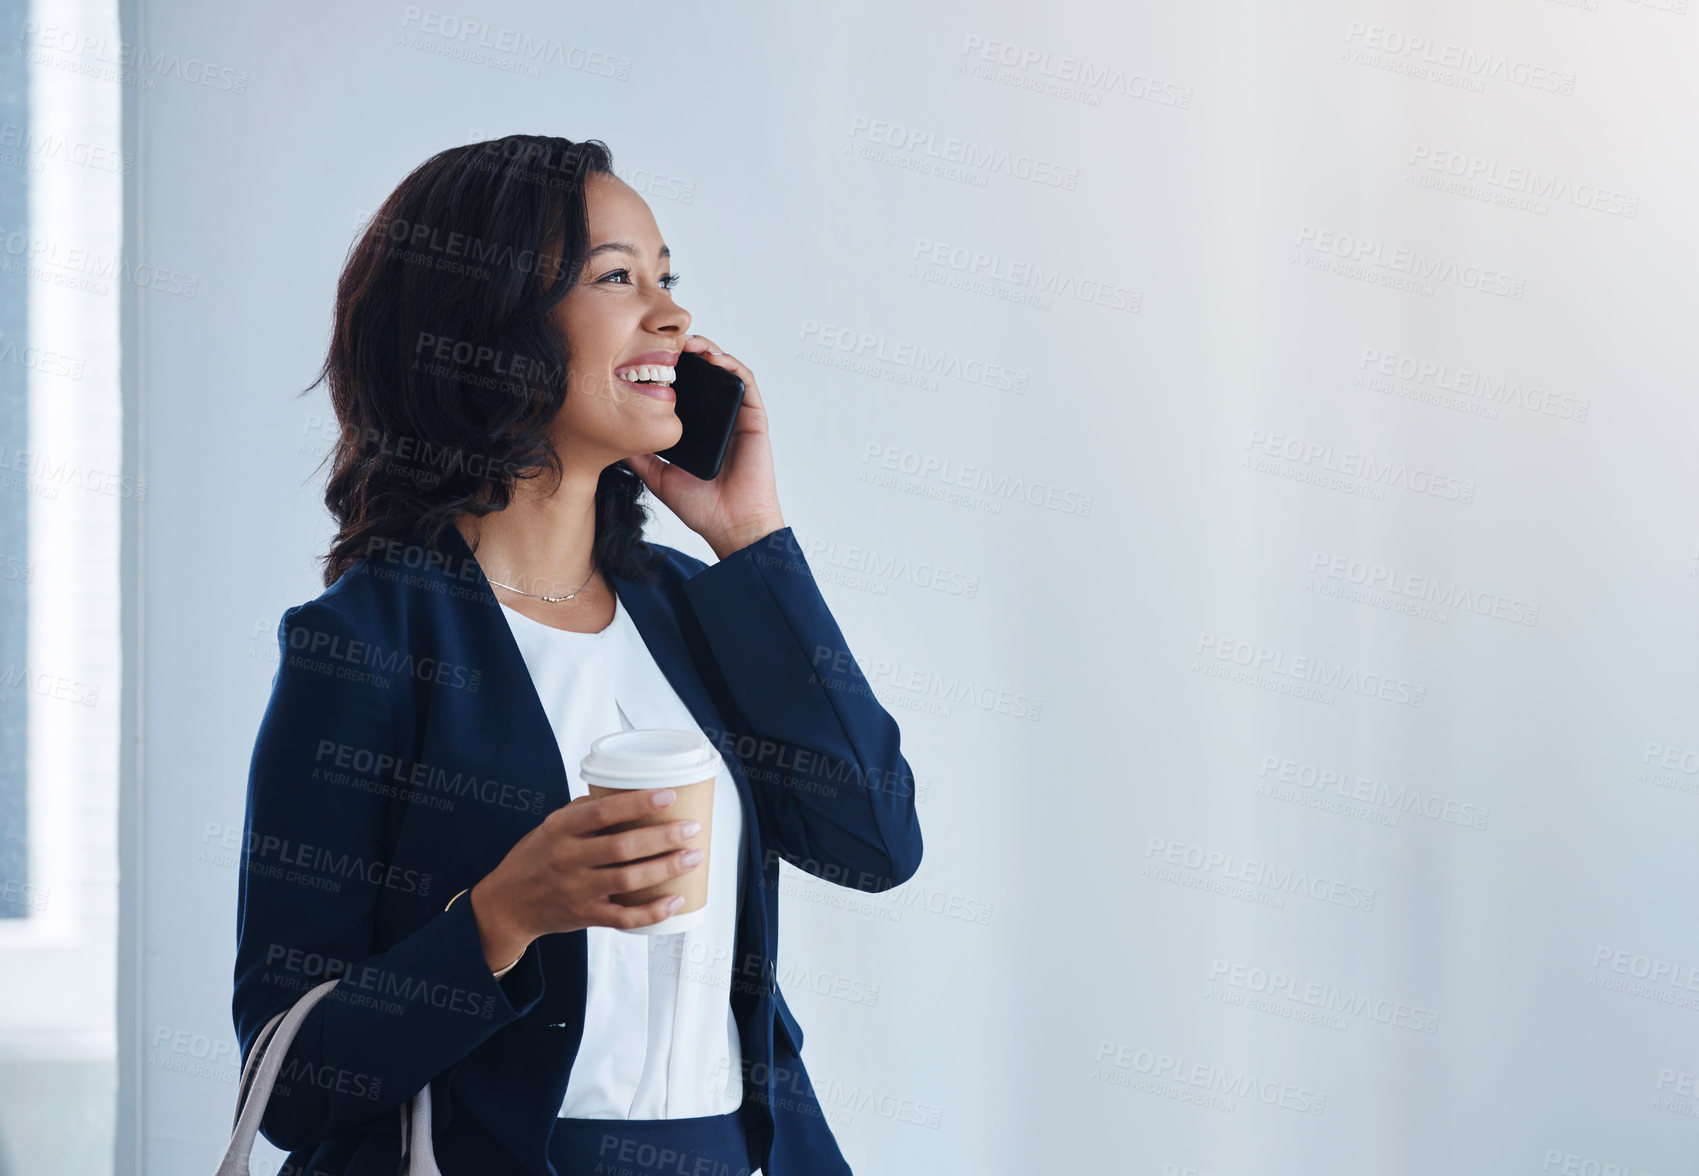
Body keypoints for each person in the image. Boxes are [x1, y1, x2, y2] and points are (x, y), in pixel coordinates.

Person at [231, 135, 923, 1176]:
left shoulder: (697, 610)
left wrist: (752, 541)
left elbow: (872, 842)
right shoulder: (366, 645)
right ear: (489, 321)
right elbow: (290, 1085)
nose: (671, 315)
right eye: (615, 278)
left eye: (667, 277)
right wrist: (503, 917)